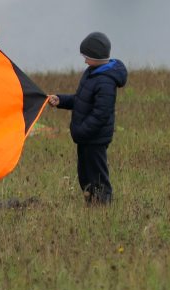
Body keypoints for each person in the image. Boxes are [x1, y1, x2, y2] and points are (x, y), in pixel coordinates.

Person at [47, 32, 127, 205]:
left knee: (98, 174)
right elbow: (80, 100)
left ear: (97, 57)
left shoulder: (105, 82)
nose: (84, 60)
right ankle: (90, 202)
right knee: (84, 174)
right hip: (85, 138)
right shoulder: (91, 72)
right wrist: (60, 100)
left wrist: (82, 131)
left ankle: (103, 206)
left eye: (87, 57)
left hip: (95, 139)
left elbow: (101, 114)